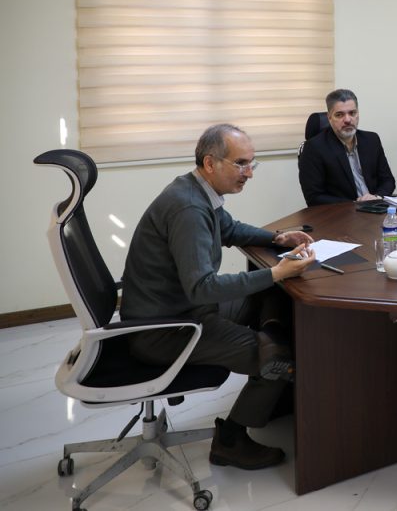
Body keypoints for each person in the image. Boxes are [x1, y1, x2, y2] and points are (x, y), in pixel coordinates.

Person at [120, 124, 316, 470]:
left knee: (269, 296)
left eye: (252, 163)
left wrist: (277, 238)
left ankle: (272, 379)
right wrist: (275, 272)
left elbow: (229, 228)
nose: (249, 173)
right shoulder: (188, 209)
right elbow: (203, 287)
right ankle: (231, 441)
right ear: (210, 163)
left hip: (178, 308)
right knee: (277, 356)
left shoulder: (195, 190)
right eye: (241, 163)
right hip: (167, 328)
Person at [298, 89, 396, 205]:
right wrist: (355, 204)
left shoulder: (371, 140)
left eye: (352, 113)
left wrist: (376, 197)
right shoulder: (314, 148)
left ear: (358, 114)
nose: (348, 120)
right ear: (329, 117)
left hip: (376, 207)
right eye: (339, 115)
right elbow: (314, 197)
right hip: (342, 212)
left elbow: (388, 180)